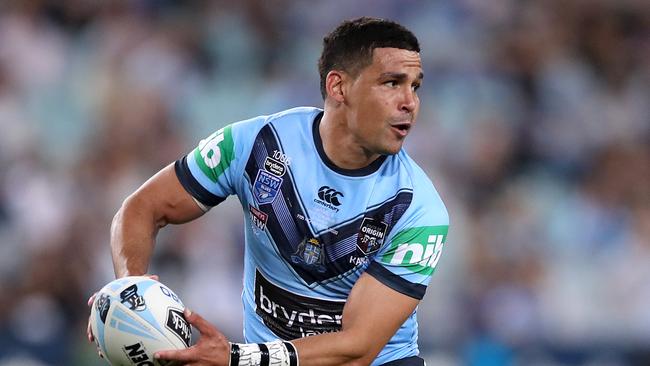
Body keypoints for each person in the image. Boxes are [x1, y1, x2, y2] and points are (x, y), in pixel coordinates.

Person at [88, 16, 449, 366]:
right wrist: (130, 294)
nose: (410, 103)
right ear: (338, 87)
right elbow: (142, 207)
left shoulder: (417, 209)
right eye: (392, 83)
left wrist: (235, 358)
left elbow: (356, 351)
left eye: (415, 86)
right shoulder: (256, 144)